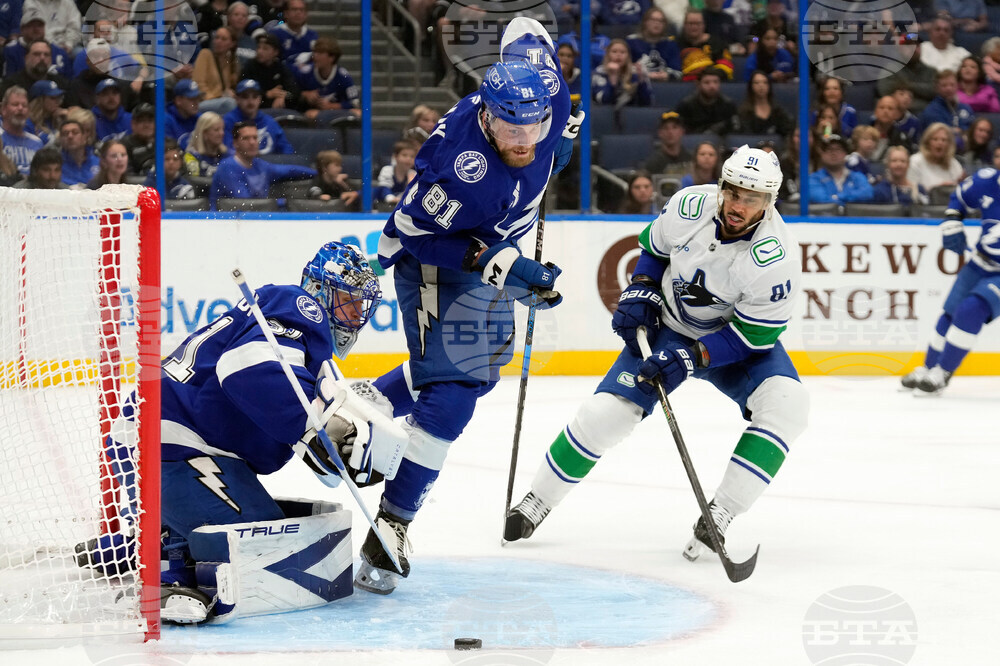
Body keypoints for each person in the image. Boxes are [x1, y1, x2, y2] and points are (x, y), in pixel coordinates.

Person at [505, 145, 809, 566]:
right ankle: (536, 501)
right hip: (667, 327)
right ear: (722, 186)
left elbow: (753, 335)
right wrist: (642, 287)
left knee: (787, 406)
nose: (738, 205)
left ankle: (719, 514)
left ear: (770, 201)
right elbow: (654, 249)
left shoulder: (777, 258)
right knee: (604, 415)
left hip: (729, 343)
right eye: (734, 192)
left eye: (752, 198)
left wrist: (691, 358)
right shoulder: (690, 205)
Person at [359, 18, 574, 594]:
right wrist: (501, 262)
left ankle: (365, 405)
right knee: (454, 392)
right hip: (436, 262)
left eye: (537, 126)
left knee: (482, 368)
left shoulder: (546, 84)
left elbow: (526, 27)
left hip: (493, 241)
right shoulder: (463, 170)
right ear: (486, 116)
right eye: (510, 128)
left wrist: (564, 142)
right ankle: (390, 526)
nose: (525, 140)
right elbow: (409, 230)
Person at [77, 241, 391, 625]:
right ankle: (162, 571)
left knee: (269, 526)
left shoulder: (301, 346)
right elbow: (243, 369)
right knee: (258, 547)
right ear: (321, 291)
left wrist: (332, 445)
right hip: (167, 443)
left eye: (362, 306)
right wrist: (312, 427)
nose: (356, 314)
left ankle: (142, 543)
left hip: (168, 439)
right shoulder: (301, 307)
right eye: (348, 300)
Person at [901, 167, 1000, 393]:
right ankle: (928, 368)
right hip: (980, 262)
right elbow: (960, 197)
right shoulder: (987, 180)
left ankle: (943, 372)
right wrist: (952, 220)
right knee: (951, 313)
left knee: (971, 309)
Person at [210, 120, 316, 209]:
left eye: (255, 138)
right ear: (235, 143)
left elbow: (290, 171)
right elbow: (245, 204)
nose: (252, 142)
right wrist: (285, 202)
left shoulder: (261, 166)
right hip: (224, 222)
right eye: (246, 138)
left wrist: (318, 173)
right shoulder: (228, 167)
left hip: (254, 220)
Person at [222, 79, 295, 155]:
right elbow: (227, 151)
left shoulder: (269, 121)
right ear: (237, 99)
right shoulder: (228, 121)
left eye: (255, 96)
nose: (250, 101)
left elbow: (287, 150)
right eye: (245, 97)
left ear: (260, 99)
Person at [295, 36, 360, 119]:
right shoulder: (305, 73)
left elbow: (355, 102)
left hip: (337, 112)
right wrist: (305, 94)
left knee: (358, 113)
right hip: (314, 112)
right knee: (311, 115)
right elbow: (290, 94)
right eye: (315, 52)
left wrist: (331, 106)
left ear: (332, 57)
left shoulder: (343, 76)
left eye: (320, 53)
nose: (315, 56)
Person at [808, 134, 874, 205]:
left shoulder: (857, 177)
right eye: (829, 149)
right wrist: (848, 200)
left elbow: (867, 193)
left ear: (845, 153)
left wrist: (838, 197)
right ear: (822, 154)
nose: (833, 153)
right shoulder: (813, 178)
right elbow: (820, 198)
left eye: (838, 149)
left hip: (853, 215)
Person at [240, 32, 300, 110]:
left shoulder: (281, 68)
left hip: (277, 107)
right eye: (258, 47)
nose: (260, 51)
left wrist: (283, 96)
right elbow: (244, 90)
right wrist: (267, 94)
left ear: (275, 52)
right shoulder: (250, 66)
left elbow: (295, 92)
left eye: (265, 48)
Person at [3, 11, 69, 77]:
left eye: (39, 25)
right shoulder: (10, 51)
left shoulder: (59, 52)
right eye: (31, 25)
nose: (36, 29)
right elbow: (9, 79)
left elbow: (68, 82)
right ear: (22, 29)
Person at [192, 26, 241, 115]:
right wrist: (220, 95)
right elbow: (198, 86)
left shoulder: (230, 61)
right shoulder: (205, 54)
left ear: (232, 43)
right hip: (201, 102)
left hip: (221, 101)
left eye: (223, 39)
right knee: (229, 103)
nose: (218, 41)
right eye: (217, 38)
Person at [920, 69, 974, 147]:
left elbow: (972, 132)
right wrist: (961, 132)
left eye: (952, 85)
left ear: (957, 86)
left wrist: (959, 131)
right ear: (937, 88)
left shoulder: (966, 108)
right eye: (944, 85)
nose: (949, 88)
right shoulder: (932, 111)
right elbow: (941, 136)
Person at [676, 66, 736, 135]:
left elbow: (734, 131)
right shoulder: (686, 105)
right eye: (707, 82)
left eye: (715, 82)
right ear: (698, 84)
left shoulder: (728, 105)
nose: (712, 86)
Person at [593, 38, 652, 108]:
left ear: (628, 56)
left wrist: (642, 81)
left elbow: (647, 103)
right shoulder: (600, 72)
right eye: (614, 52)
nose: (618, 55)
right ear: (608, 55)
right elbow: (603, 101)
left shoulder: (635, 73)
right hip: (604, 115)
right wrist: (613, 79)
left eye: (622, 52)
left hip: (630, 115)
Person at [626, 7, 681, 83]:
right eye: (653, 20)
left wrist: (667, 75)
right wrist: (645, 74)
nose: (657, 23)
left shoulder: (670, 44)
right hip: (638, 85)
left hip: (665, 86)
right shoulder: (631, 42)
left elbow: (678, 72)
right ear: (645, 22)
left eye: (661, 21)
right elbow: (624, 69)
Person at [676, 9, 733, 80]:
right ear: (684, 25)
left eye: (698, 23)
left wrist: (706, 77)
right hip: (682, 84)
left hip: (711, 83)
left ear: (704, 25)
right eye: (690, 23)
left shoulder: (717, 43)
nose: (694, 27)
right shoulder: (675, 43)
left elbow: (726, 66)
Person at [907, 122, 964, 192]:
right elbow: (912, 192)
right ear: (927, 142)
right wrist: (939, 189)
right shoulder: (915, 162)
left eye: (944, 140)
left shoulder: (954, 164)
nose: (940, 143)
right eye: (935, 139)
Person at [734, 69, 793, 137]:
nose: (761, 86)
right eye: (756, 83)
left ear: (769, 86)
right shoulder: (743, 112)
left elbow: (788, 130)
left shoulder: (777, 111)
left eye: (765, 82)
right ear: (751, 86)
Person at [1, 85, 44, 176]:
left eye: (24, 105)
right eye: (15, 104)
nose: (20, 108)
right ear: (3, 109)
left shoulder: (37, 142)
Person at [58, 111, 100, 187]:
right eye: (66, 133)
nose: (70, 136)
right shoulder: (54, 163)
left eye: (75, 132)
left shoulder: (99, 161)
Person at [643, 111, 692, 176]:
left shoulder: (691, 159)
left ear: (682, 131)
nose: (670, 132)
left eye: (674, 127)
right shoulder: (653, 163)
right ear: (660, 133)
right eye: (665, 128)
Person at [268, 0, 317, 66]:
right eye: (294, 9)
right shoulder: (275, 34)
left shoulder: (312, 35)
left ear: (306, 14)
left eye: (301, 10)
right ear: (286, 14)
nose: (298, 13)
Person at [373, 140, 417, 208]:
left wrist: (410, 184)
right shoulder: (387, 170)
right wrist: (391, 198)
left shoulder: (414, 174)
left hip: (402, 208)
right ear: (395, 157)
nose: (408, 159)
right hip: (383, 207)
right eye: (404, 155)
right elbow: (383, 189)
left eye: (412, 156)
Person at [184, 111, 228, 178]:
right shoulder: (191, 157)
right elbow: (194, 182)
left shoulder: (227, 154)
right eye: (216, 130)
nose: (222, 133)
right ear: (204, 133)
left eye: (222, 129)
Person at [25, 79, 66, 146]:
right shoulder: (27, 123)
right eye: (52, 98)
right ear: (40, 100)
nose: (57, 101)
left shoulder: (57, 119)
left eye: (59, 97)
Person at [165, 80, 204, 149]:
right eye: (191, 99)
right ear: (178, 100)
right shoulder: (166, 121)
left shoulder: (199, 118)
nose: (196, 103)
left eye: (197, 98)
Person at [92, 79, 131, 143]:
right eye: (105, 94)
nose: (111, 97)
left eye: (115, 93)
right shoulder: (91, 123)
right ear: (97, 99)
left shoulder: (131, 119)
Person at [123, 103, 156, 175]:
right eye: (141, 121)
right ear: (133, 124)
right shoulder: (124, 146)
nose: (146, 125)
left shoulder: (165, 143)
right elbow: (126, 177)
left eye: (150, 121)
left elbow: (182, 173)